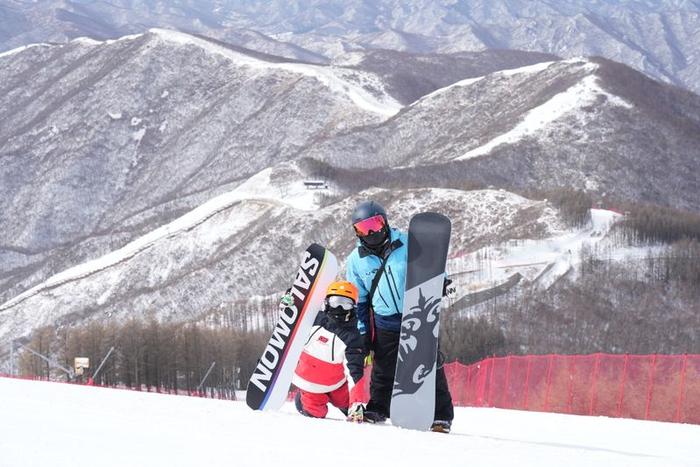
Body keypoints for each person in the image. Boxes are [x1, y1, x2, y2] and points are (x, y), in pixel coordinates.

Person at [345, 200, 454, 433]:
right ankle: (379, 407)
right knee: (383, 367)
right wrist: (363, 332)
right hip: (385, 322)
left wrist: (440, 281)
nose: (371, 232)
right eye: (363, 229)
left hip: (417, 314)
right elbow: (360, 299)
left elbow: (431, 266)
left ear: (385, 222)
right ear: (356, 232)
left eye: (375, 224)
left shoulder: (407, 243)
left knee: (429, 364)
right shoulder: (356, 260)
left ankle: (441, 415)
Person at [291, 280, 367, 419]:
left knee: (351, 405)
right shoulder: (314, 318)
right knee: (316, 413)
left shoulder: (352, 337)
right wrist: (288, 299)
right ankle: (302, 399)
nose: (339, 307)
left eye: (345, 304)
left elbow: (355, 371)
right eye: (335, 301)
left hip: (336, 383)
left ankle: (350, 406)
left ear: (353, 307)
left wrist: (357, 404)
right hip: (310, 384)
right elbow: (296, 309)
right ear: (327, 302)